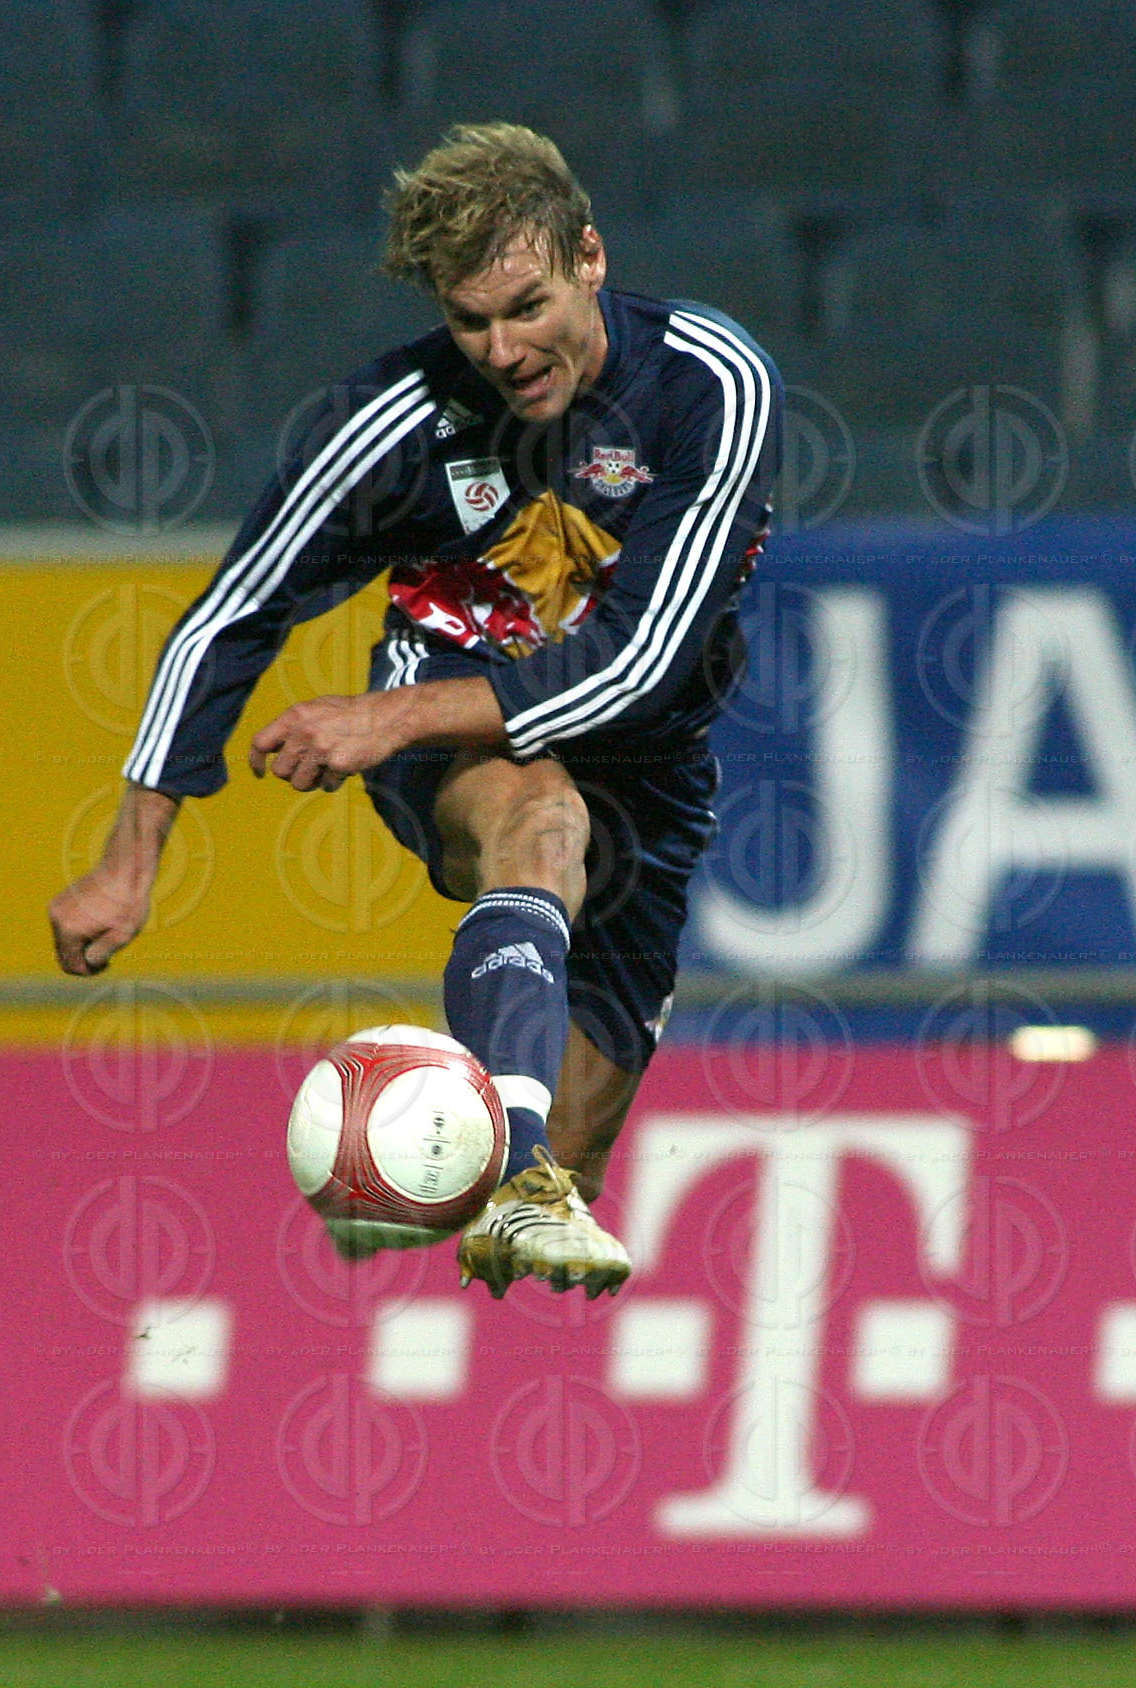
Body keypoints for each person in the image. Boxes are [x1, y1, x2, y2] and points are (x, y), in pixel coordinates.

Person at [48, 122, 781, 1302]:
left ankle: (514, 1176)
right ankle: (512, 1162)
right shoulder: (392, 422)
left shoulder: (709, 386)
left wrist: (378, 722)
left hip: (649, 768)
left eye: (526, 306)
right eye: (469, 321)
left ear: (590, 257)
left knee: (566, 1176)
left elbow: (641, 660)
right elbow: (229, 618)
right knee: (540, 825)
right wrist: (130, 863)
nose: (501, 348)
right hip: (459, 733)